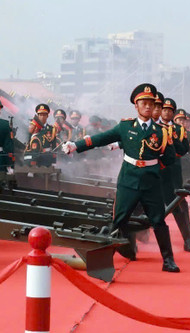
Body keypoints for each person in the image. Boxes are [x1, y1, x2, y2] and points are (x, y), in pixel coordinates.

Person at [62, 83, 180, 273]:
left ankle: (168, 260)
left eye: (151, 103)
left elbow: (169, 158)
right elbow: (101, 138)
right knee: (119, 220)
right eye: (144, 103)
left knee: (158, 221)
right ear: (136, 105)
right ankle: (105, 260)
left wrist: (153, 169)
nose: (148, 106)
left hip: (151, 182)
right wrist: (76, 146)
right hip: (128, 180)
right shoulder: (126, 126)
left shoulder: (162, 132)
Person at [159, 96, 190, 252]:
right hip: (155, 171)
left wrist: (170, 141)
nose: (167, 112)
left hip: (173, 171)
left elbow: (184, 149)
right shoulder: (153, 127)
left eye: (170, 110)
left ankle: (187, 239)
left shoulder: (178, 130)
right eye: (164, 109)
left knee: (177, 204)